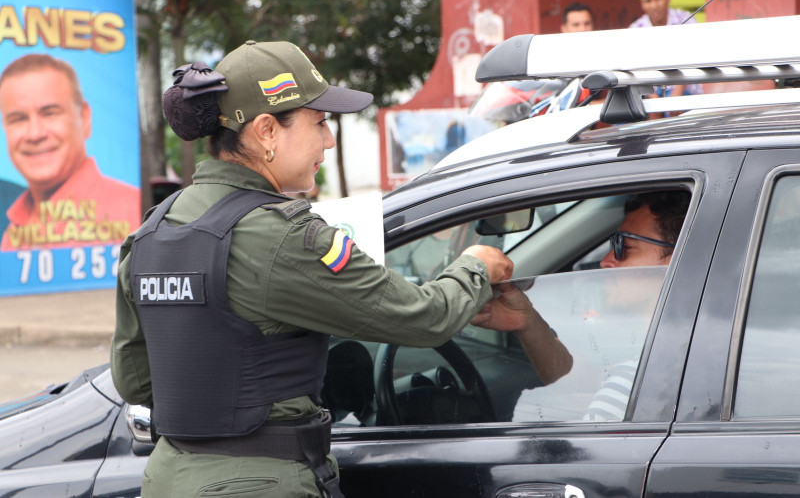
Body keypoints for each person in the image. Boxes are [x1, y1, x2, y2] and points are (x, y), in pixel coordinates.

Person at [111, 40, 515, 498]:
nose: (329, 139)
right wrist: (474, 267)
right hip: (259, 484)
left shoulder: (153, 229)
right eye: (320, 122)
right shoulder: (281, 236)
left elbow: (134, 380)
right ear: (266, 131)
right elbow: (423, 318)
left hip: (167, 479)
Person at [0, 54, 140, 251]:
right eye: (18, 118)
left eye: (49, 113)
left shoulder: (131, 211)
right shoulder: (13, 233)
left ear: (84, 118)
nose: (35, 134)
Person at [584, 190, 690, 420]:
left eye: (624, 247)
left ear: (675, 262)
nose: (605, 261)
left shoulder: (635, 385)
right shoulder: (697, 356)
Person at [629, 0, 702, 98]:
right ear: (642, 4)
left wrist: (676, 94)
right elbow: (635, 70)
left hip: (685, 89)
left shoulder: (686, 20)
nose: (654, 5)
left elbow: (692, 58)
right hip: (650, 91)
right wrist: (652, 98)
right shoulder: (635, 29)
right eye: (648, 1)